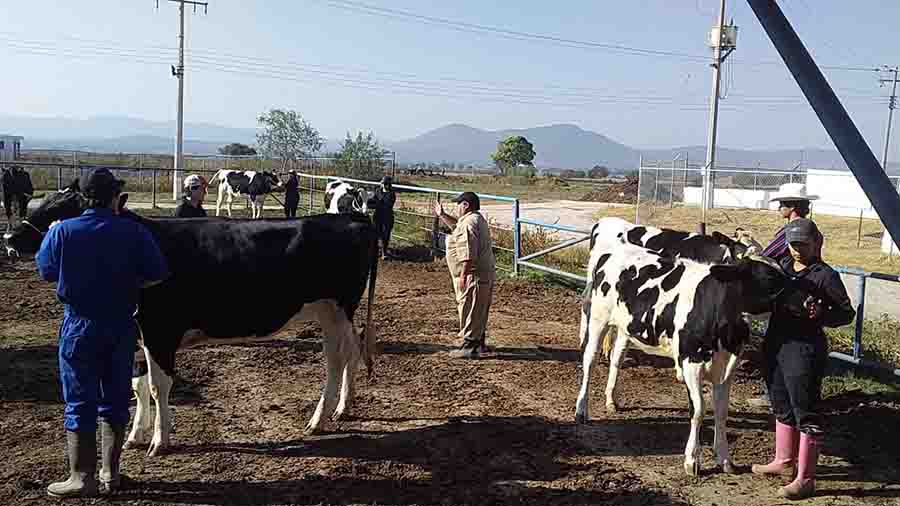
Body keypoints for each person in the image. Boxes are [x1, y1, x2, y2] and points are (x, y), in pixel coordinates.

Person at [36, 168, 169, 498]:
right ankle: (111, 474)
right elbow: (156, 275)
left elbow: (46, 271)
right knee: (114, 401)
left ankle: (82, 477)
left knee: (79, 400)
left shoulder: (62, 231)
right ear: (114, 197)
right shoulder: (134, 232)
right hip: (120, 324)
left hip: (79, 325)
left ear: (82, 198)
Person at [751, 218, 854, 500]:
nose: (797, 250)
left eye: (803, 245)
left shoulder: (825, 275)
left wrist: (821, 313)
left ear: (816, 243)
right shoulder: (781, 268)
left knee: (805, 408)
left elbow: (846, 314)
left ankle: (806, 478)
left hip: (805, 348)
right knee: (780, 401)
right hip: (776, 342)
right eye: (793, 244)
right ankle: (784, 460)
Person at [748, 183, 823, 409]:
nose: (779, 207)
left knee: (776, 344)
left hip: (788, 289)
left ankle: (774, 395)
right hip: (805, 286)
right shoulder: (811, 228)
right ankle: (796, 396)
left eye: (782, 204)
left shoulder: (793, 230)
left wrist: (751, 247)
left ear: (791, 207)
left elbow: (768, 256)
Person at [433, 191, 496, 359]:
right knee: (479, 309)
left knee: (471, 308)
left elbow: (469, 253)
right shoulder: (475, 219)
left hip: (473, 276)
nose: (457, 208)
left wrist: (463, 275)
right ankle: (478, 342)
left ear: (466, 205)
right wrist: (442, 215)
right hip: (482, 274)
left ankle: (470, 346)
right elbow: (457, 226)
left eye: (458, 205)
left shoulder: (469, 223)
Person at [372, 175, 397, 258]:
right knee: (375, 234)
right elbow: (373, 200)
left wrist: (377, 203)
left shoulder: (392, 194)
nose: (384, 185)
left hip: (387, 217)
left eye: (386, 184)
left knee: (385, 235)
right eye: (383, 183)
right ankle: (375, 251)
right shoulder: (377, 191)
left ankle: (384, 252)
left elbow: (388, 205)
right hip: (377, 216)